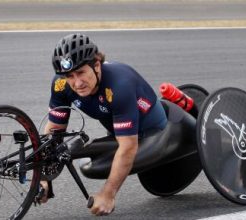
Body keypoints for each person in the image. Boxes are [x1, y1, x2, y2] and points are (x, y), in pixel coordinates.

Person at [40, 33, 168, 216]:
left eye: (81, 72)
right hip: (119, 132)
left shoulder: (119, 85)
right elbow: (54, 133)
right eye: (70, 76)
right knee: (70, 151)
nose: (77, 83)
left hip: (153, 132)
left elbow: (128, 147)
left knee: (94, 167)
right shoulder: (61, 84)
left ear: (97, 65)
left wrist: (108, 194)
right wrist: (43, 177)